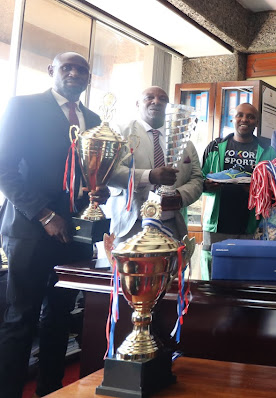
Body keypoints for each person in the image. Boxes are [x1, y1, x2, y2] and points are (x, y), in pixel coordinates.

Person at [0, 52, 109, 398]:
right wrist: (45, 215)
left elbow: (86, 172)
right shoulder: (23, 106)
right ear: (52, 71)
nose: (74, 73)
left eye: (82, 70)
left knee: (60, 318)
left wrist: (96, 192)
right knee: (22, 318)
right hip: (30, 229)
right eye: (67, 67)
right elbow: (5, 170)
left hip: (75, 232)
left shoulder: (93, 119)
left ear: (88, 78)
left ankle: (51, 390)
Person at [107, 86, 203, 244]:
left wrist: (179, 196)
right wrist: (149, 176)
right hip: (131, 227)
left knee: (171, 269)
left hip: (172, 227)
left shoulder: (184, 141)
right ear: (138, 104)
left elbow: (197, 179)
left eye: (163, 99)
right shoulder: (120, 132)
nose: (156, 102)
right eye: (149, 97)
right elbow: (110, 173)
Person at [201, 103, 276, 275]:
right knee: (213, 277)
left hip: (251, 227)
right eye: (240, 115)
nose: (245, 119)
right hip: (217, 226)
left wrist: (255, 190)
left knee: (247, 277)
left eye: (250, 116)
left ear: (256, 122)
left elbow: (274, 189)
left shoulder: (268, 151)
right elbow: (198, 181)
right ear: (233, 118)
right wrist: (208, 185)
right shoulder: (214, 147)